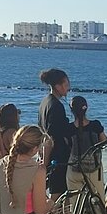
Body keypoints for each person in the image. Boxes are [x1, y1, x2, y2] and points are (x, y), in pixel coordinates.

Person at [66, 96, 107, 214]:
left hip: (74, 170)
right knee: (99, 204)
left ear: (71, 110)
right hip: (93, 171)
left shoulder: (68, 129)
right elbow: (103, 141)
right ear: (86, 107)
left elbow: (67, 146)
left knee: (76, 208)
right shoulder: (96, 126)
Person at [38, 68, 71, 199]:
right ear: (58, 86)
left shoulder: (44, 102)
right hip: (57, 157)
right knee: (57, 195)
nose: (68, 88)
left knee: (56, 194)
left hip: (47, 154)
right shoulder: (56, 106)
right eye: (66, 85)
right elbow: (51, 137)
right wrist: (46, 164)